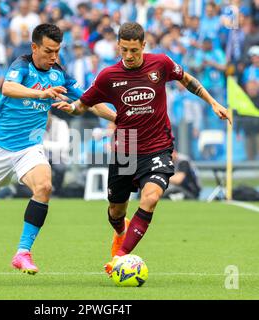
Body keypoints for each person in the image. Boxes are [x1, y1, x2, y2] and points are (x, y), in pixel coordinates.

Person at [53, 22, 230, 276]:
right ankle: (119, 232)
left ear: (143, 46)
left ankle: (121, 258)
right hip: (126, 148)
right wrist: (72, 109)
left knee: (150, 197)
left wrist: (213, 102)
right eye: (124, 49)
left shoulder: (161, 64)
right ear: (118, 46)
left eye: (134, 50)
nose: (128, 55)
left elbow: (187, 80)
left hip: (158, 147)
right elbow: (84, 103)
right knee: (116, 211)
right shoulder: (108, 76)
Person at [0, 24, 115, 274]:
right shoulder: (21, 66)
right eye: (48, 51)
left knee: (44, 186)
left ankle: (22, 252)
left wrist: (119, 119)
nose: (54, 57)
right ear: (34, 47)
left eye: (57, 51)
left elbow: (89, 101)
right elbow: (8, 88)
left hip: (29, 148)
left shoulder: (59, 75)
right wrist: (42, 94)